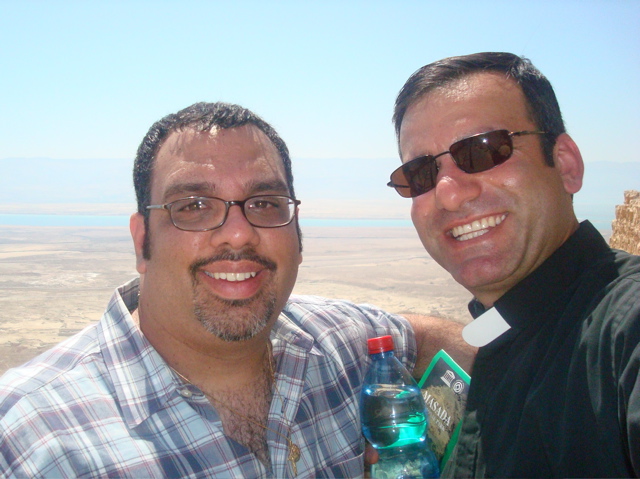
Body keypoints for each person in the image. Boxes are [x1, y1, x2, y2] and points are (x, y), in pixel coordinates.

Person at [0, 102, 473, 478]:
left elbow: (437, 341)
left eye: (265, 203)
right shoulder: (31, 441)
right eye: (195, 206)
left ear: (298, 235)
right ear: (143, 241)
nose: (239, 234)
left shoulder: (340, 344)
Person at [387, 52, 640, 477]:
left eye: (483, 151)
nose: (449, 194)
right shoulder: (506, 329)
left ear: (565, 165)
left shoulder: (623, 331)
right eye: (421, 174)